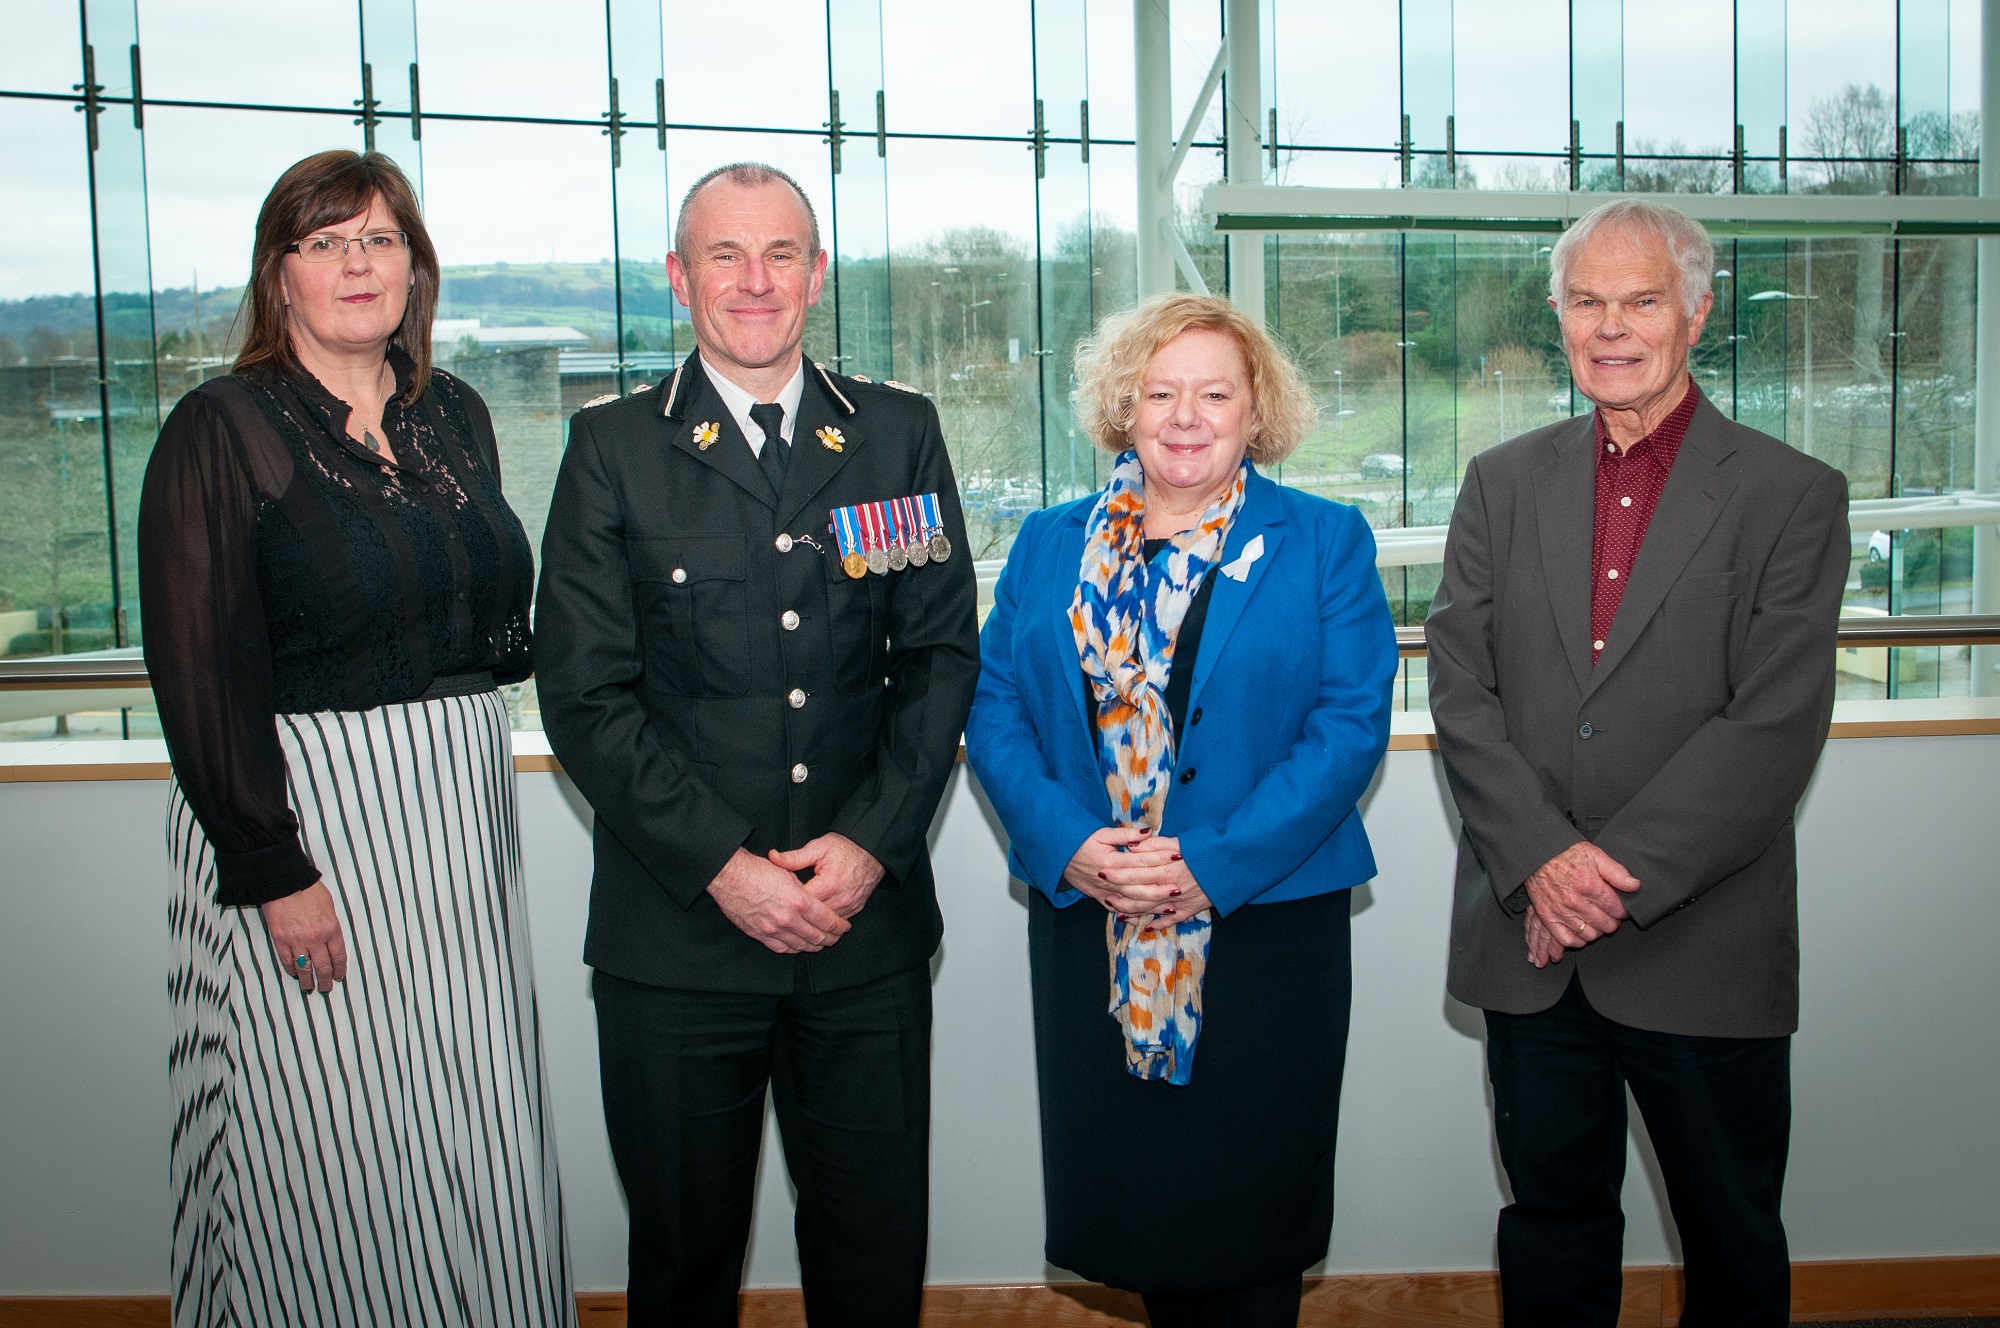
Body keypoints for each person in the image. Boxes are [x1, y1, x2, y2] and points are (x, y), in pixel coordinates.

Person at [533, 162, 980, 1328]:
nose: (754, 280)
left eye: (780, 253)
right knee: (682, 1264)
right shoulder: (613, 449)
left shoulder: (895, 435)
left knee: (872, 1258)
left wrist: (870, 845)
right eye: (723, 256)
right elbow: (584, 694)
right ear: (679, 278)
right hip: (679, 938)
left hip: (860, 926)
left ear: (816, 273)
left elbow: (935, 661)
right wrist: (727, 868)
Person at [138, 150, 573, 1327]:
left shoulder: (456, 412)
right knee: (319, 1131)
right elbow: (196, 669)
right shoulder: (220, 429)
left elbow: (494, 620)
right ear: (277, 276)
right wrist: (274, 868)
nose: (356, 264)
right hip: (301, 825)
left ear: (415, 269)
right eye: (323, 242)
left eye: (379, 239)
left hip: (453, 829)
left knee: (470, 1112)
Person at [1427, 198, 1851, 1327]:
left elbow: (1770, 729)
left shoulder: (1789, 495)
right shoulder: (1499, 481)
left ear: (1696, 312)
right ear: (1558, 314)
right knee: (1551, 1232)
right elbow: (1459, 692)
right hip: (1531, 947)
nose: (1609, 327)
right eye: (1585, 301)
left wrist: (1592, 880)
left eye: (1640, 300)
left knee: (1729, 1241)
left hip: (1698, 942)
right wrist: (1541, 863)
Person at [964, 293, 1397, 1327]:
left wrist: (1209, 860)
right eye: (1159, 391)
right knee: (1139, 1205)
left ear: (1257, 412)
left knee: (1248, 1214)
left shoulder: (1322, 540)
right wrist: (1070, 847)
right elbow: (992, 706)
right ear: (1124, 405)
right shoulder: (1044, 543)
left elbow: (1346, 725)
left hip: (1261, 925)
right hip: (1094, 917)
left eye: (1214, 392)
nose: (1185, 415)